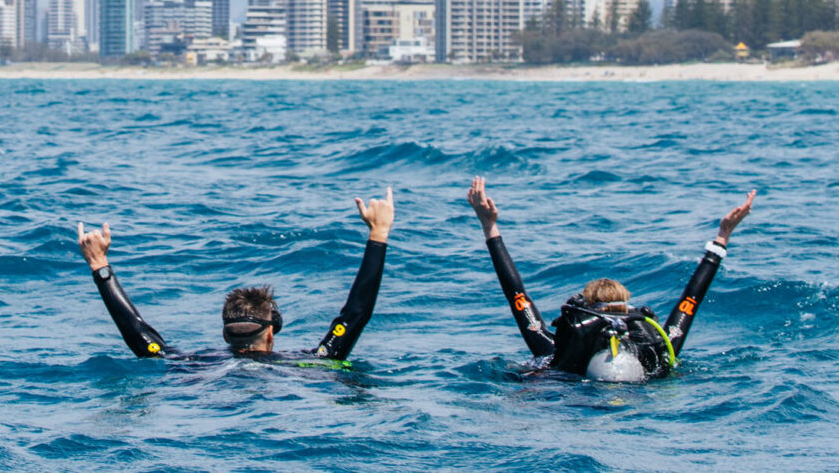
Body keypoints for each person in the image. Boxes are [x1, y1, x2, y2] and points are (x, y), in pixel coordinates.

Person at [466, 175, 755, 381]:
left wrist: (489, 227)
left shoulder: (556, 349)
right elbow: (690, 301)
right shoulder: (657, 346)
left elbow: (517, 296)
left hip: (565, 401)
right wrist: (722, 237)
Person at [75, 188, 395, 360]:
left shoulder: (192, 366)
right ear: (271, 334)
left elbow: (142, 339)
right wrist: (378, 233)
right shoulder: (311, 365)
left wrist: (99, 265)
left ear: (225, 335)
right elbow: (356, 316)